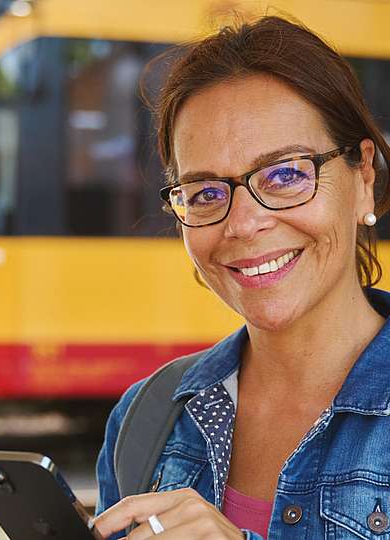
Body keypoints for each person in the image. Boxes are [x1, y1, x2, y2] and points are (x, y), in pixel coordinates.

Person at [92, 15, 390, 540]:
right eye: (206, 192)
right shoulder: (147, 419)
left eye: (285, 175)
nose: (244, 224)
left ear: (363, 178)